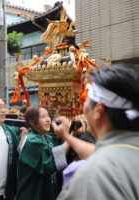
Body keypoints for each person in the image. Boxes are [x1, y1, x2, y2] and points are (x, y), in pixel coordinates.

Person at [57, 64, 139, 199]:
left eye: (86, 100)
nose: (84, 108)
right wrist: (67, 136)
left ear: (99, 110)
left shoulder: (94, 176)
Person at [16, 104, 69, 200]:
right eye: (43, 117)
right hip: (33, 194)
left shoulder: (48, 137)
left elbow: (62, 153)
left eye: (48, 115)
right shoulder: (32, 140)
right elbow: (50, 164)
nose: (48, 119)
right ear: (31, 122)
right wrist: (69, 137)